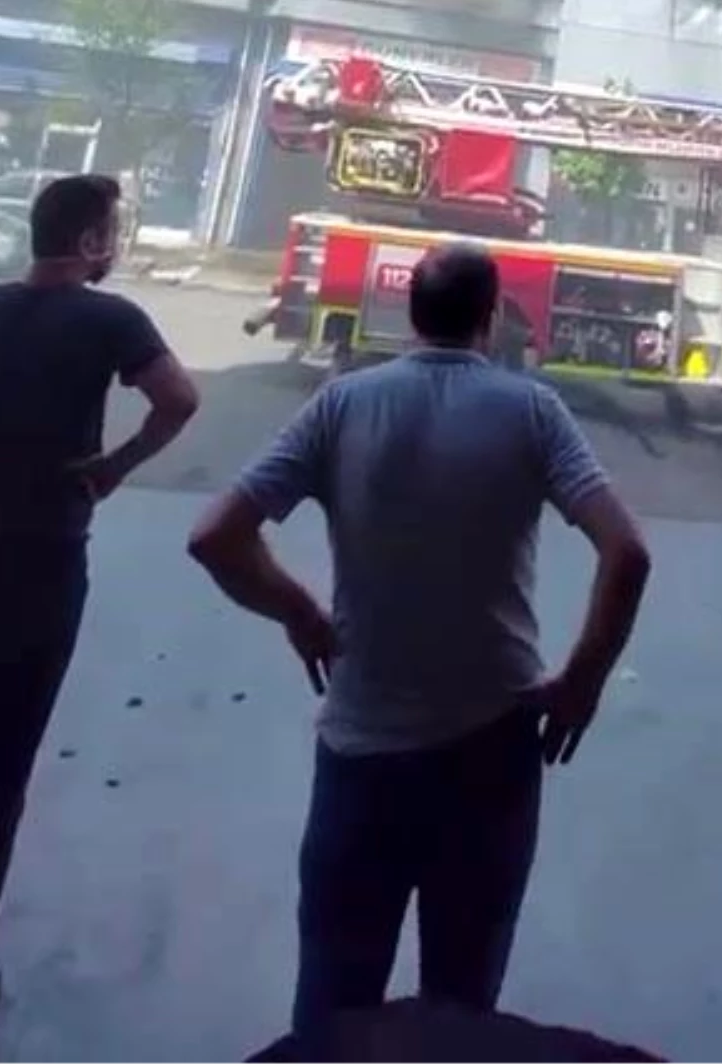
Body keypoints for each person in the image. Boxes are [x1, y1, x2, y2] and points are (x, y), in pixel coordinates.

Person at [189, 241, 651, 1059]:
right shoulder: (532, 411)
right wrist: (581, 681)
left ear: (411, 313)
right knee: (462, 1011)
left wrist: (299, 611)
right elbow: (627, 552)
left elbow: (217, 535)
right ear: (491, 314)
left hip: (360, 756)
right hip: (492, 754)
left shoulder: (343, 404)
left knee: (332, 1010)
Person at [0, 173, 199, 1052]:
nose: (117, 245)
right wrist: (117, 463)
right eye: (114, 232)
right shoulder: (110, 320)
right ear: (90, 242)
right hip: (37, 577)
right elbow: (179, 399)